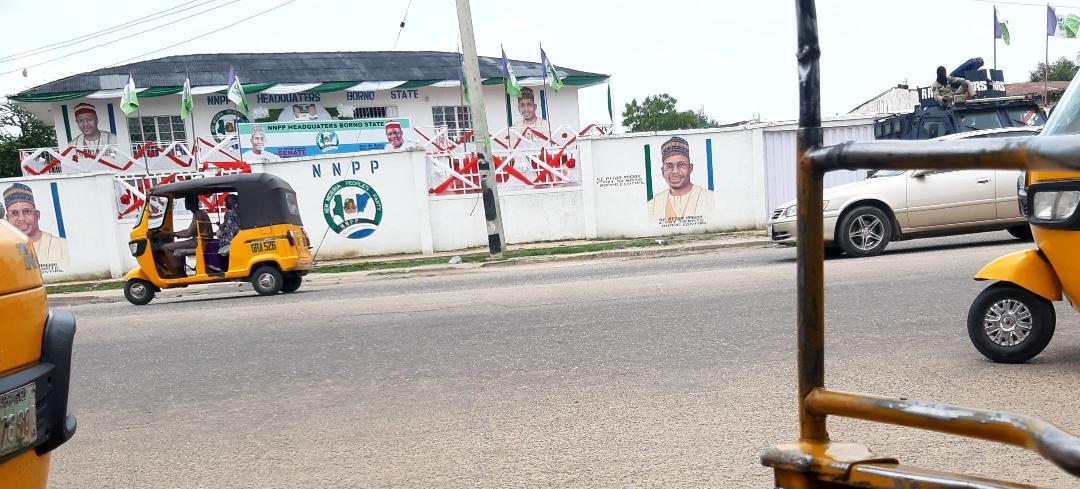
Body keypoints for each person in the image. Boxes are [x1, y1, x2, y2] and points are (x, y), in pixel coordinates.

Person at [646, 136, 715, 221]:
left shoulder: (708, 198)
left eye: (681, 165)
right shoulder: (654, 204)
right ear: (662, 171)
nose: (675, 171)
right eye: (669, 166)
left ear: (690, 168)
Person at [4, 183, 68, 264]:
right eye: (14, 213)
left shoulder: (60, 245)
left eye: (27, 211)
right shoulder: (3, 249)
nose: (21, 219)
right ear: (7, 219)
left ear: (37, 215)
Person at [162, 195, 213, 276]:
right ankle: (179, 270)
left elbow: (188, 233)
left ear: (191, 203)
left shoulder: (198, 214)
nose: (185, 204)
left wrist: (171, 234)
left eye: (186, 202)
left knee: (166, 247)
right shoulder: (201, 213)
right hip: (202, 241)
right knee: (174, 246)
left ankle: (178, 273)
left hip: (198, 242)